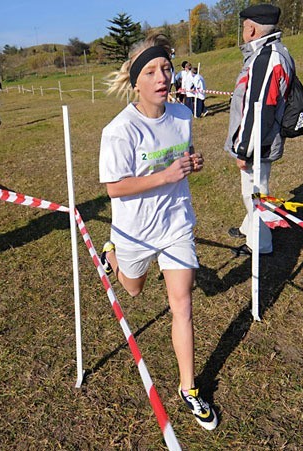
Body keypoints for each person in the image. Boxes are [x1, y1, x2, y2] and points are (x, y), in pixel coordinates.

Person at [98, 33, 218, 431]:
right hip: (135, 230)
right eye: (150, 71)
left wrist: (190, 163)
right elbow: (114, 187)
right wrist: (165, 174)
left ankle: (189, 388)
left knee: (181, 304)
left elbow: (181, 159)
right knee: (132, 290)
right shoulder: (120, 131)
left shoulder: (183, 115)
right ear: (136, 81)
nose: (161, 77)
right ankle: (111, 255)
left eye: (165, 68)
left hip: (176, 224)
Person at [224, 4, 295, 257]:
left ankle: (260, 244)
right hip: (264, 138)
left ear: (251, 29)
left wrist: (243, 149)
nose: (243, 31)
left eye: (244, 27)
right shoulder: (274, 52)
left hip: (259, 143)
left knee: (253, 193)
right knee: (255, 189)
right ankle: (249, 227)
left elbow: (260, 109)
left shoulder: (266, 58)